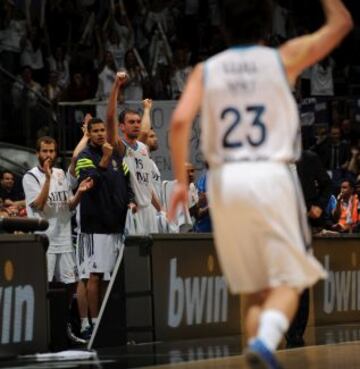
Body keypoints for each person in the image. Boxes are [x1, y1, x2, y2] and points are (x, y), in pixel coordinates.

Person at [168, 0, 352, 368]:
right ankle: (268, 339)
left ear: (222, 29)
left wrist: (177, 181)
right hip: (269, 174)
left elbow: (178, 123)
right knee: (290, 280)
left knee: (253, 292)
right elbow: (342, 23)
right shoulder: (282, 58)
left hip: (225, 180)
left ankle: (258, 347)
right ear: (267, 28)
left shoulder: (206, 70)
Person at [22, 136, 93, 341]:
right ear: (37, 153)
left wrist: (79, 193)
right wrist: (46, 179)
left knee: (70, 285)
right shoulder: (31, 177)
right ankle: (43, 330)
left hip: (64, 239)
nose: (48, 155)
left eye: (52, 151)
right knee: (44, 287)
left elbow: (68, 206)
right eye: (44, 151)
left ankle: (64, 326)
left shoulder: (61, 174)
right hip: (45, 240)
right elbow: (38, 206)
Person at [75, 118, 134, 334]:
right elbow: (88, 183)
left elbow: (126, 184)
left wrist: (131, 200)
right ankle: (92, 323)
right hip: (94, 226)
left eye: (103, 130)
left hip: (116, 226)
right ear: (89, 134)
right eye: (96, 131)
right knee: (94, 275)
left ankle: (107, 321)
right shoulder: (85, 157)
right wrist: (105, 159)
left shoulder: (118, 157)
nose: (100, 134)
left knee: (110, 276)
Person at [106, 73, 161, 235]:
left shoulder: (143, 148)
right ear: (121, 127)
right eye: (131, 122)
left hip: (149, 211)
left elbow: (148, 186)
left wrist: (161, 210)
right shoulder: (120, 147)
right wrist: (116, 85)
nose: (136, 125)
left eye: (138, 121)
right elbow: (109, 117)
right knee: (135, 258)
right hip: (131, 211)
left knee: (153, 257)